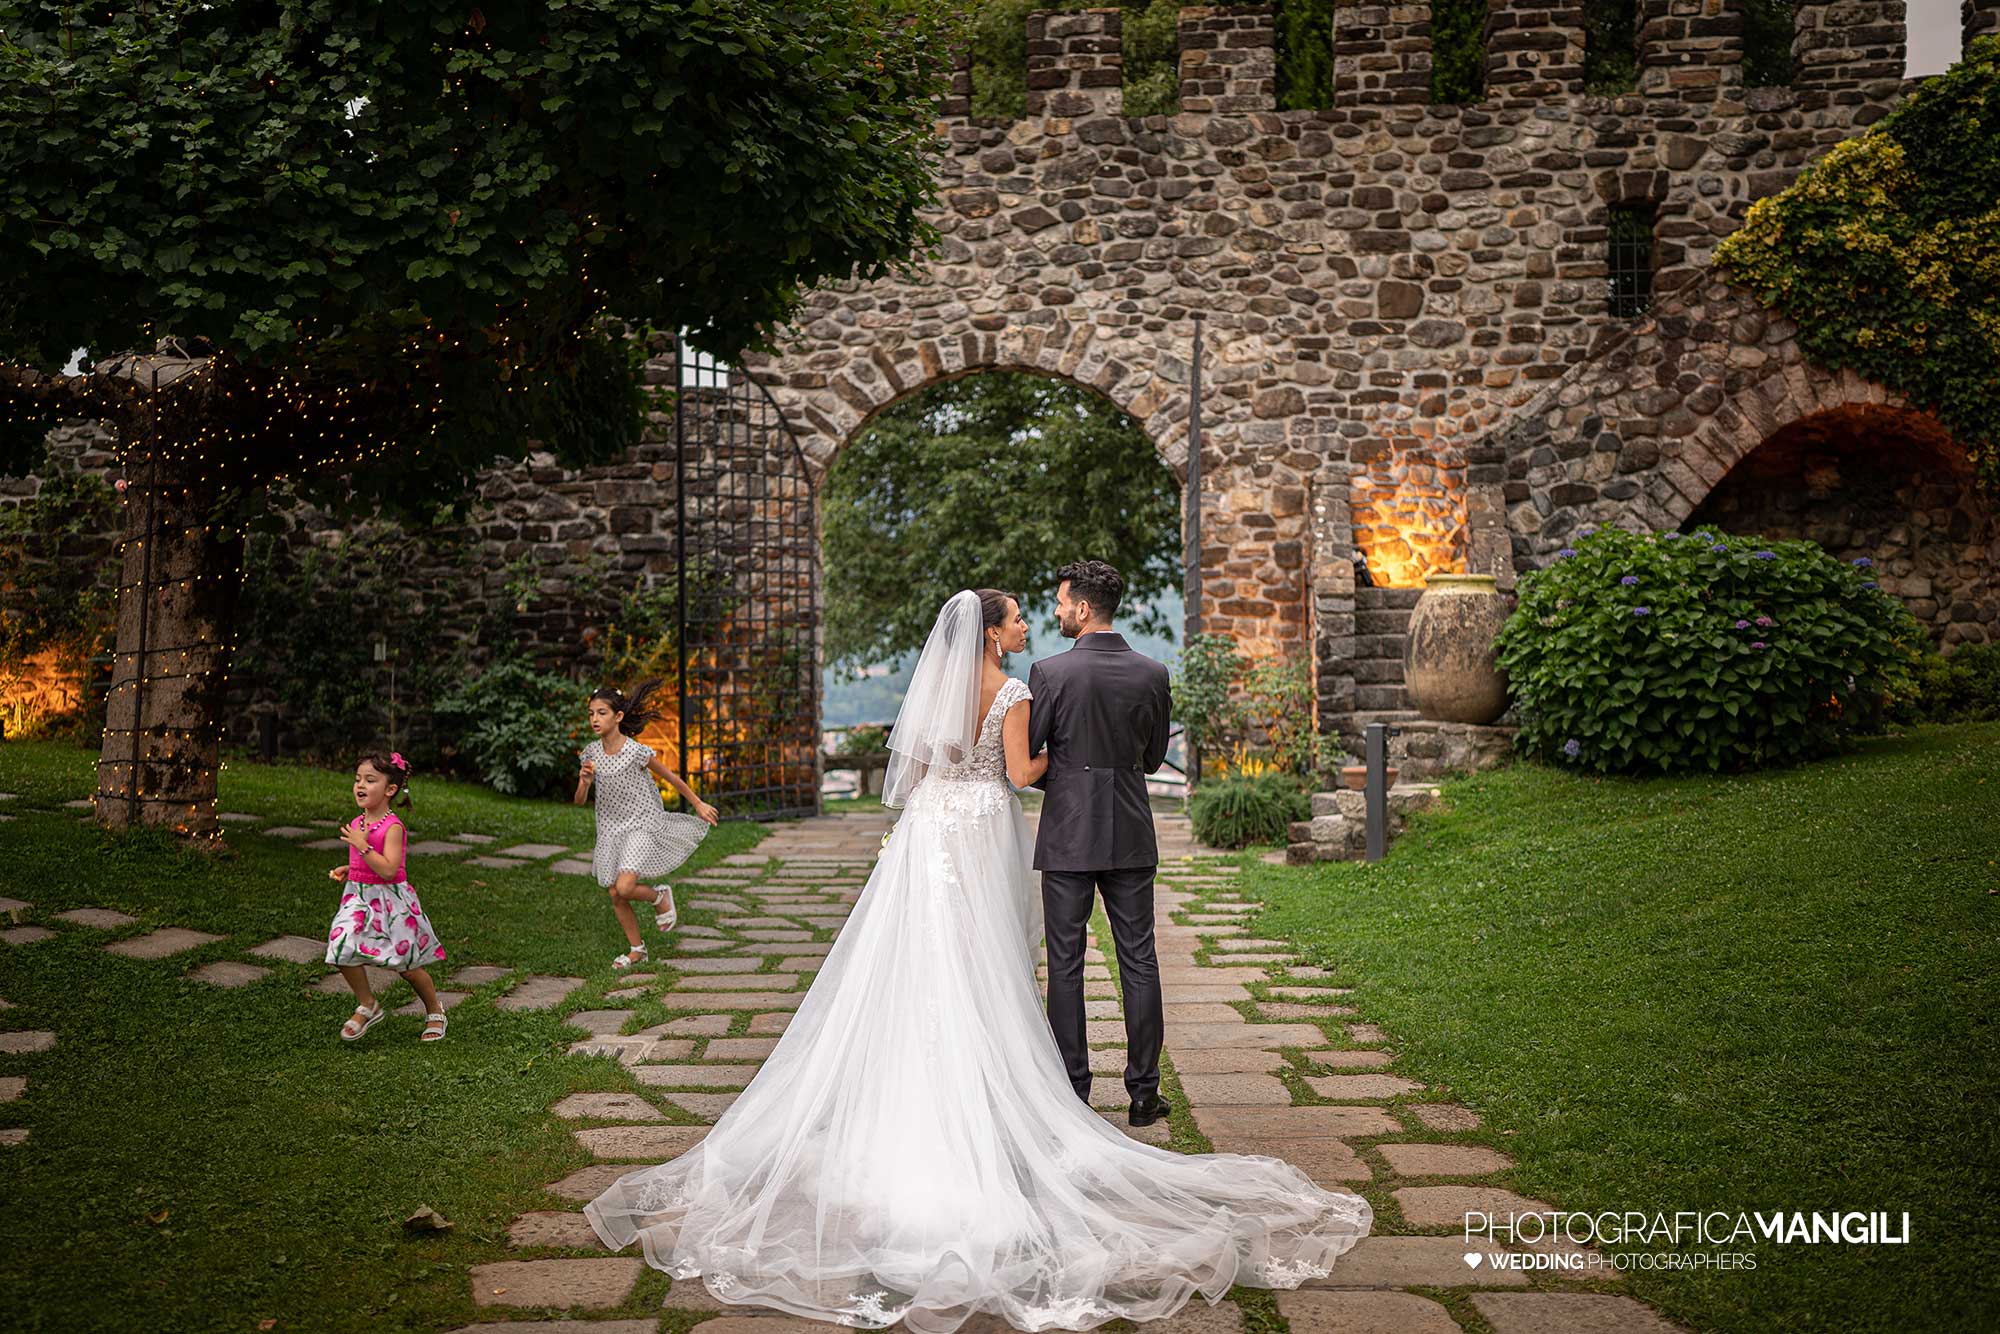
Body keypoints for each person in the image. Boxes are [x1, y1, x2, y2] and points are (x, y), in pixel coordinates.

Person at [585, 589, 1369, 1334]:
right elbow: (1023, 774)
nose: (1030, 624)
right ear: (992, 631)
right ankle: (993, 1096)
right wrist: (1085, 761)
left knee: (921, 964)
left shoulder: (938, 688)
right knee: (987, 962)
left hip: (929, 832)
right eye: (1020, 617)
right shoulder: (1013, 691)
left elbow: (919, 773)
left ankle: (915, 1094)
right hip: (984, 828)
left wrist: (927, 818)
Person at [1026, 558, 1173, 1124]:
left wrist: (1066, 773)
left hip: (1067, 833)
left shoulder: (1050, 673)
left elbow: (1033, 755)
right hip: (1131, 829)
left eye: (1063, 603)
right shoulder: (1153, 672)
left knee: (1065, 963)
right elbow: (1155, 759)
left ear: (1083, 609)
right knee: (1140, 959)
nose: (1058, 611)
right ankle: (1143, 1095)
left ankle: (1073, 1090)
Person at [576, 679, 719, 971]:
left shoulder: (636, 752)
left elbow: (672, 778)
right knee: (616, 893)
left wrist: (698, 803)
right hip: (611, 829)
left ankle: (660, 896)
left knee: (625, 886)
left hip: (641, 822)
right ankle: (637, 950)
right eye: (591, 713)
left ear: (618, 717)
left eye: (601, 713)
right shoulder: (591, 755)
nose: (594, 719)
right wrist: (584, 783)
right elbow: (579, 801)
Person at [325, 751, 450, 1042]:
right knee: (341, 944)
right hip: (358, 898)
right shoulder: (358, 824)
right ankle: (368, 1004)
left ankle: (435, 1010)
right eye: (357, 779)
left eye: (370, 780)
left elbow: (390, 869)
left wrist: (363, 848)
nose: (360, 785)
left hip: (391, 903)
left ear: (390, 790)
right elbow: (366, 864)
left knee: (405, 966)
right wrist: (350, 868)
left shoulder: (393, 827)